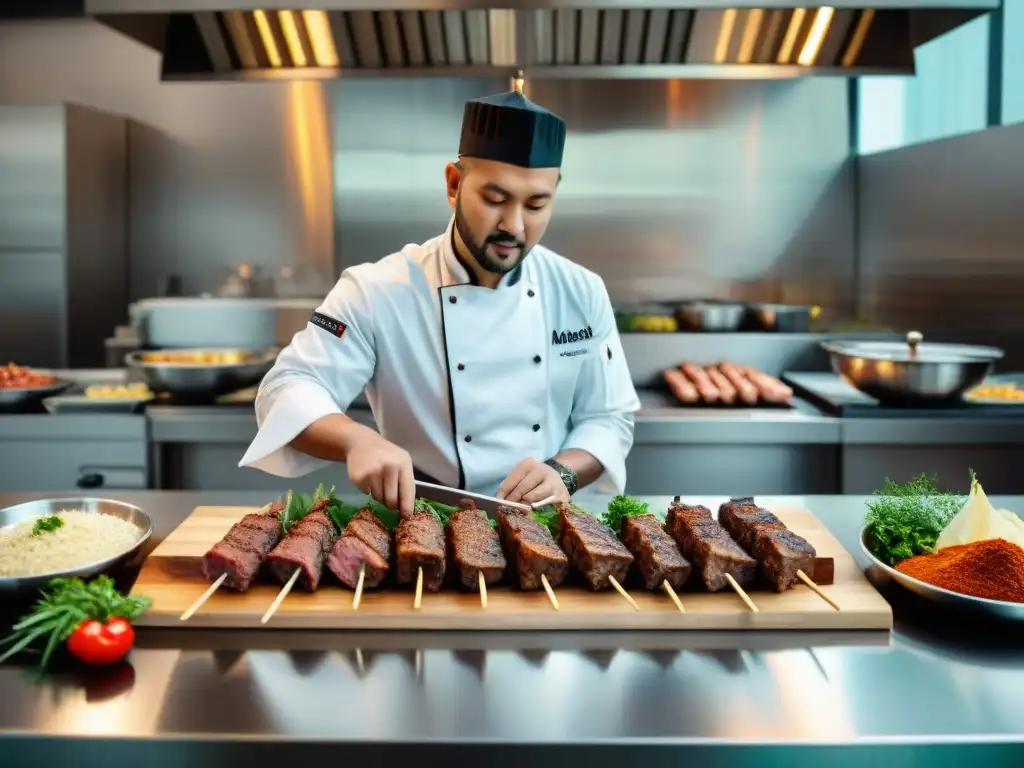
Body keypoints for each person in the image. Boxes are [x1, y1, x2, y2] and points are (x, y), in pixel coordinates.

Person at [239, 85, 640, 517]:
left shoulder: (580, 290)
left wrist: (563, 472)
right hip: (420, 528)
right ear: (454, 184)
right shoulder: (377, 290)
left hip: (541, 532)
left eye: (537, 205)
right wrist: (357, 439)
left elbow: (610, 418)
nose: (515, 226)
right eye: (495, 199)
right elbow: (286, 387)